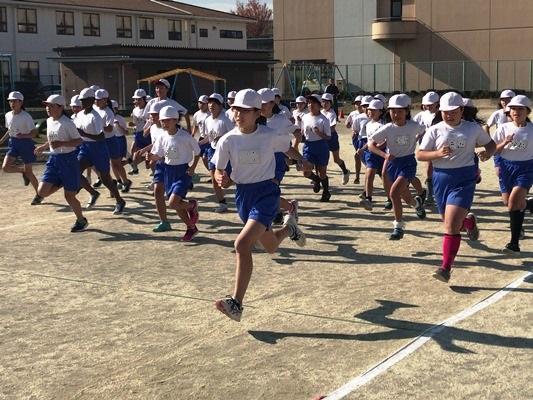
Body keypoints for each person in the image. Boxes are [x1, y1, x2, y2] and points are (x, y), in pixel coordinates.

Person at [213, 89, 306, 322]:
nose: (239, 114)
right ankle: (290, 228)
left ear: (257, 113)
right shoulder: (227, 140)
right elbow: (219, 169)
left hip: (267, 193)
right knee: (271, 246)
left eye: (245, 110)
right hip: (243, 196)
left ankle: (236, 303)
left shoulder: (269, 135)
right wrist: (221, 177)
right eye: (236, 109)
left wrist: (302, 160)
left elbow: (288, 148)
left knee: (242, 244)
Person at [417, 92, 496, 282]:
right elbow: (420, 154)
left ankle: (445, 268)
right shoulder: (435, 130)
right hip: (441, 179)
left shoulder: (472, 128)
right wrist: (437, 153)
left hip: (464, 179)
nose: (449, 115)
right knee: (450, 222)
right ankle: (468, 222)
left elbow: (491, 144)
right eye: (445, 112)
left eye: (453, 111)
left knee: (451, 225)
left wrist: (487, 153)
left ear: (461, 110)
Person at [368, 94, 426, 240]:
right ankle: (417, 204)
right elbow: (371, 145)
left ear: (407, 111)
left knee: (393, 194)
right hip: (392, 164)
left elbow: (424, 131)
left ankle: (398, 226)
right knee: (405, 198)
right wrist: (384, 155)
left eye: (400, 111)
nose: (396, 114)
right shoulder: (387, 128)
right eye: (393, 111)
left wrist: (416, 141)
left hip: (408, 163)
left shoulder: (414, 126)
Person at [33, 95, 88, 232]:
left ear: (60, 107)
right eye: (47, 105)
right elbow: (52, 140)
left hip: (68, 160)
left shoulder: (67, 123)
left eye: (51, 105)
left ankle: (81, 220)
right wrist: (43, 147)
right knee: (42, 192)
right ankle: (62, 182)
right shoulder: (49, 120)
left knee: (69, 196)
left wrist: (62, 143)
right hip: (54, 159)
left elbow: (79, 141)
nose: (48, 108)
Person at [149, 106, 201, 241]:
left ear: (175, 120)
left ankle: (192, 205)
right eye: (162, 121)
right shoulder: (162, 137)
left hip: (183, 172)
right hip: (168, 172)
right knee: (177, 205)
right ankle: (191, 228)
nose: (164, 123)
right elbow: (159, 155)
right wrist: (150, 157)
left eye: (168, 120)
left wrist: (193, 167)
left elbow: (197, 152)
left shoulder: (185, 136)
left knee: (172, 203)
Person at [489, 95, 533, 254]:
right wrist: (504, 143)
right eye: (513, 108)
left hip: (526, 169)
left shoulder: (532, 130)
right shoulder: (503, 128)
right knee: (509, 203)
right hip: (506, 168)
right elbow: (493, 149)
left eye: (520, 109)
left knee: (514, 202)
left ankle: (514, 244)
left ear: (527, 111)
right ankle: (529, 205)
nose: (516, 112)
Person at [75, 87, 126, 214]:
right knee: (75, 171)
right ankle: (93, 193)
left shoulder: (96, 116)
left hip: (98, 148)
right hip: (85, 147)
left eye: (85, 100)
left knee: (105, 178)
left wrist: (83, 134)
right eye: (81, 100)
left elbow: (101, 136)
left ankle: (119, 200)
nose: (82, 102)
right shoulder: (80, 115)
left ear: (91, 100)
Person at [0, 91, 40, 204]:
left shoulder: (26, 116)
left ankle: (39, 195)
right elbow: (9, 130)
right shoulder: (8, 115)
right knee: (6, 168)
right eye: (10, 101)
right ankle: (23, 171)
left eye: (14, 101)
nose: (12, 103)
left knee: (29, 172)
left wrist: (23, 136)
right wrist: (2, 140)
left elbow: (34, 133)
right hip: (13, 143)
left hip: (25, 144)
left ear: (21, 102)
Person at [93, 89, 131, 193]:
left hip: (110, 141)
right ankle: (113, 183)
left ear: (105, 100)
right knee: (104, 164)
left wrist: (97, 127)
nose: (96, 101)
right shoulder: (95, 108)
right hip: (100, 141)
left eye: (98, 99)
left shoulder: (109, 112)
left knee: (116, 164)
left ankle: (125, 182)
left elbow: (109, 129)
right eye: (95, 99)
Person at [204, 93, 235, 212]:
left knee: (226, 183)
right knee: (214, 179)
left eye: (215, 103)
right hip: (212, 151)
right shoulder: (207, 120)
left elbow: (234, 135)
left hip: (226, 152)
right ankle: (222, 203)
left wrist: (222, 138)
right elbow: (209, 138)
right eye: (210, 102)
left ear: (221, 106)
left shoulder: (225, 120)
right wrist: (196, 143)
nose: (211, 105)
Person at [301, 94, 332, 201]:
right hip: (308, 146)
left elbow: (328, 137)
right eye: (309, 103)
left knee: (322, 172)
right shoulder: (305, 117)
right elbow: (302, 131)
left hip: (321, 146)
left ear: (319, 105)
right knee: (306, 171)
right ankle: (316, 180)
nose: (310, 105)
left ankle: (326, 192)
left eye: (313, 103)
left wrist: (319, 133)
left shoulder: (324, 120)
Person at [357, 99, 386, 211]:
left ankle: (390, 198)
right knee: (369, 175)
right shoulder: (368, 124)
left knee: (385, 177)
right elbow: (369, 141)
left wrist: (378, 147)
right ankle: (368, 199)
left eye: (374, 110)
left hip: (382, 154)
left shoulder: (383, 125)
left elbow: (386, 140)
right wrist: (362, 149)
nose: (370, 112)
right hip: (371, 154)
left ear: (380, 112)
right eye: (369, 110)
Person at [413, 91, 440, 205]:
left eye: (430, 104)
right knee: (429, 167)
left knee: (439, 168)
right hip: (427, 145)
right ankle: (430, 194)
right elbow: (415, 127)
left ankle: (435, 190)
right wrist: (416, 137)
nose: (428, 107)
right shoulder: (421, 115)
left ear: (437, 103)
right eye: (426, 105)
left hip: (440, 144)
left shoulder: (441, 114)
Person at [485, 89, 515, 178]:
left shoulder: (518, 113)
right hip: (499, 147)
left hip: (514, 147)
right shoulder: (497, 114)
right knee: (500, 173)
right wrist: (489, 142)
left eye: (508, 99)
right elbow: (487, 126)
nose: (504, 102)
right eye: (502, 99)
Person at [321, 93, 350, 184]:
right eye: (323, 102)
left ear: (331, 103)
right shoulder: (320, 112)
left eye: (327, 102)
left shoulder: (332, 113)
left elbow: (332, 127)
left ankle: (345, 171)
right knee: (321, 158)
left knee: (336, 159)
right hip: (322, 137)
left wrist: (323, 133)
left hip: (332, 137)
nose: (325, 104)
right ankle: (320, 177)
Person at [351, 95, 373, 184]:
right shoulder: (359, 117)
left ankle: (366, 188)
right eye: (364, 106)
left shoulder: (377, 117)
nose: (366, 108)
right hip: (362, 141)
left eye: (368, 106)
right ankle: (358, 177)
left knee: (370, 166)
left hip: (373, 142)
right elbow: (355, 130)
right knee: (361, 160)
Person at [128, 88, 149, 175]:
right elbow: (136, 123)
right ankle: (135, 169)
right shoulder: (135, 110)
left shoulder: (149, 109)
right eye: (136, 99)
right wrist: (132, 124)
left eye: (139, 99)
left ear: (144, 99)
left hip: (148, 134)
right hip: (139, 134)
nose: (137, 101)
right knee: (134, 152)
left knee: (150, 157)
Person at [192, 95, 211, 172]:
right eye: (200, 103)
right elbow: (196, 126)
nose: (201, 105)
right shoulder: (196, 114)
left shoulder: (211, 114)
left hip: (210, 139)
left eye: (203, 103)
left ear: (207, 104)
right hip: (202, 138)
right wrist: (192, 134)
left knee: (206, 157)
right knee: (202, 157)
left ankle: (213, 172)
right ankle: (211, 172)